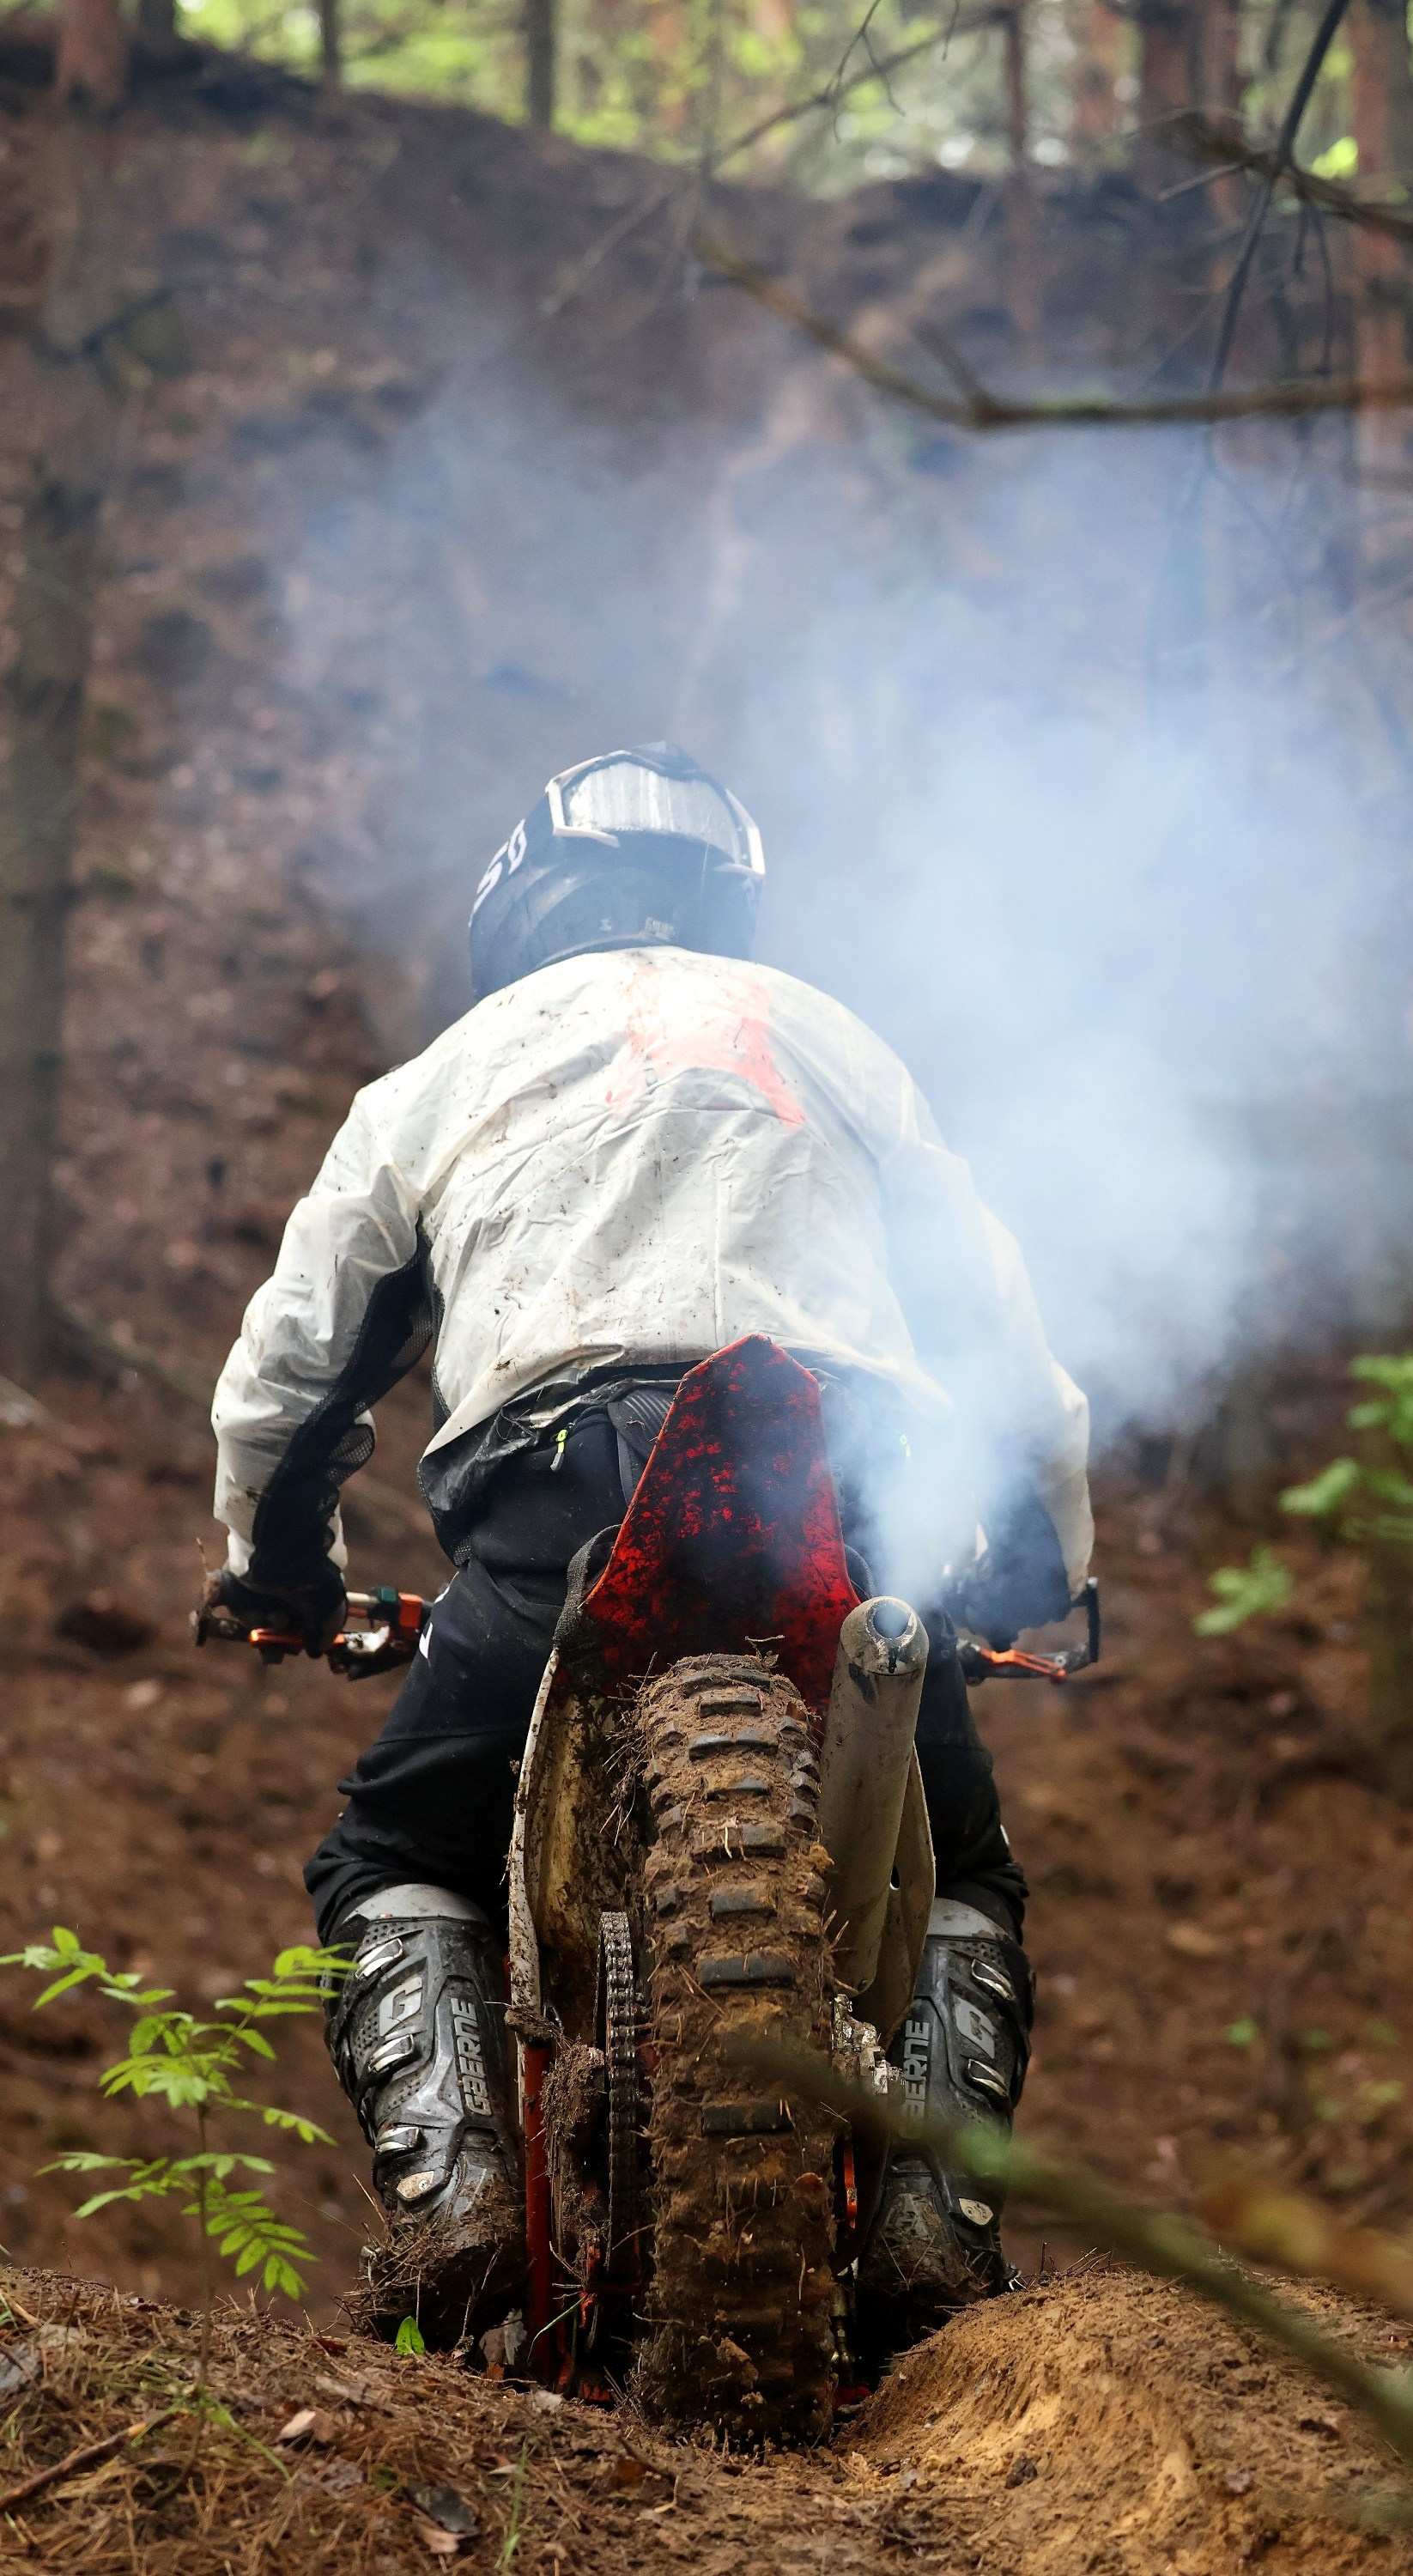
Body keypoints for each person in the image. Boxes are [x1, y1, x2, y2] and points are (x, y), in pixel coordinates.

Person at [198, 742, 1092, 2342]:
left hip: (561, 1504)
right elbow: (1002, 1350)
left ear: (525, 901)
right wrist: (1029, 1572)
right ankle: (930, 2229)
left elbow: (297, 1369)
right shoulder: (837, 1046)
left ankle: (460, 2208)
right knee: (962, 1871)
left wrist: (279, 1573)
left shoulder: (447, 1073)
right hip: (847, 1496)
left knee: (394, 1855)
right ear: (728, 900)